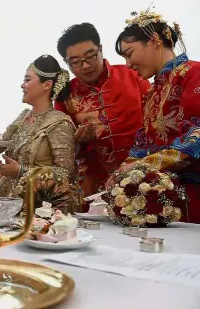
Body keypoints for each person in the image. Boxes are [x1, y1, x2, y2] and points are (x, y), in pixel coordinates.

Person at [111, 10, 200, 223]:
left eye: (129, 53)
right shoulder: (152, 93)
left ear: (154, 41)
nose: (128, 65)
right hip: (157, 200)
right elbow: (144, 142)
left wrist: (145, 165)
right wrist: (123, 172)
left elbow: (196, 136)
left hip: (194, 195)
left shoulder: (193, 74)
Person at [54, 23, 151, 201]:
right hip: (94, 187)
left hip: (143, 177)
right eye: (75, 62)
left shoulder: (132, 75)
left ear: (100, 49)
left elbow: (154, 119)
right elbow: (62, 149)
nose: (84, 66)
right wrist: (80, 141)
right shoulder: (64, 98)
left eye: (90, 56)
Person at [0, 55, 76, 199]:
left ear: (47, 85)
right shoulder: (23, 116)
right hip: (9, 202)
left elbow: (66, 173)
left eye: (27, 80)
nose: (22, 85)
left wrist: (20, 171)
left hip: (39, 205)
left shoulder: (59, 123)